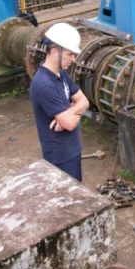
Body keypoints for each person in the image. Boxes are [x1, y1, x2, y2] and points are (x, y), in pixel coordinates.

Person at [29, 22, 89, 181]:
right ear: (55, 51)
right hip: (59, 155)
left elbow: (85, 102)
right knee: (67, 198)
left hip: (71, 149)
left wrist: (69, 112)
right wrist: (74, 112)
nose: (74, 59)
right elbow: (70, 123)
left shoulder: (61, 75)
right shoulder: (43, 85)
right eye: (70, 54)